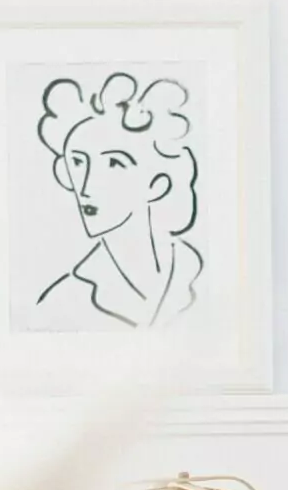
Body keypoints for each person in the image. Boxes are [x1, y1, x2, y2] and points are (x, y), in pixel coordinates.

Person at [33, 72, 205, 330]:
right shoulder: (62, 302)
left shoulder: (201, 274)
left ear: (157, 184)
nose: (87, 186)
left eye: (114, 163)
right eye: (78, 162)